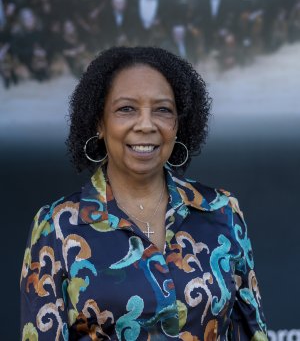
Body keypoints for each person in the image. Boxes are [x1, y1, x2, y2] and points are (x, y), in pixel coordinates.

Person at [20, 46, 268, 340]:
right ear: (100, 123)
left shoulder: (222, 211)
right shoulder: (57, 226)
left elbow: (253, 333)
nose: (146, 124)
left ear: (177, 125)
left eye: (163, 110)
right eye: (127, 109)